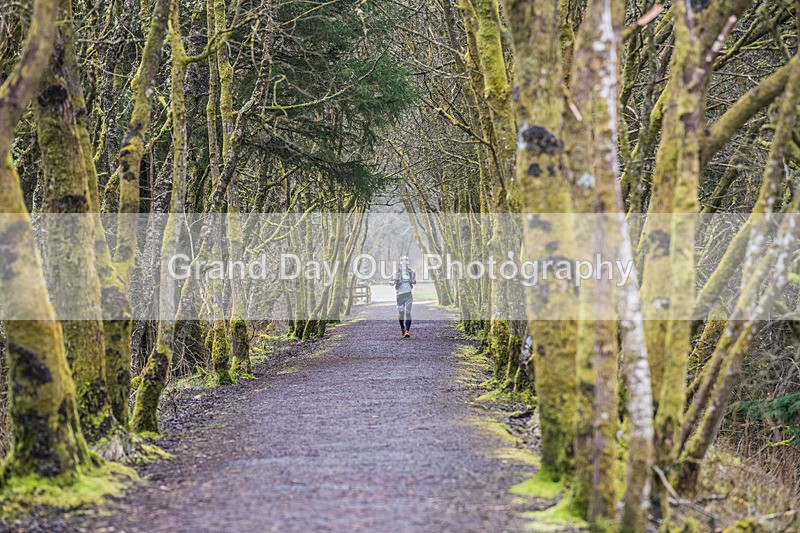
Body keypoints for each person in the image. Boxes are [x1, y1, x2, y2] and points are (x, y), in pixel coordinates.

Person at [391, 255, 416, 338]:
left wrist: (413, 281)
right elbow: (391, 281)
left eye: (406, 261)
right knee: (401, 314)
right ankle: (402, 328)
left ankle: (407, 331)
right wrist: (393, 282)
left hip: (408, 295)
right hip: (400, 296)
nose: (404, 263)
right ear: (400, 262)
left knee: (408, 312)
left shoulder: (411, 272)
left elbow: (414, 280)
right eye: (403, 261)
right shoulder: (396, 272)